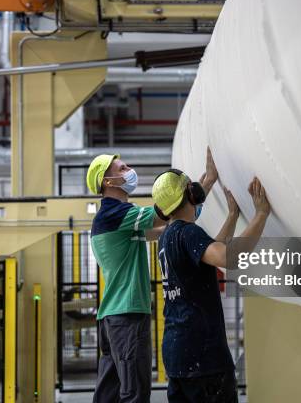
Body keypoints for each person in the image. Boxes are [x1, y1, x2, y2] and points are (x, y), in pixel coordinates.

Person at [86, 151, 218, 403]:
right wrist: (206, 183)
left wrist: (198, 198)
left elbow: (171, 225)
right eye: (122, 168)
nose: (130, 170)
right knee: (134, 392)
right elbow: (165, 212)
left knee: (110, 393)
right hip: (126, 316)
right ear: (108, 182)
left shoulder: (119, 223)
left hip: (113, 317)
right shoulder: (114, 214)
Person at [152, 170, 271, 403]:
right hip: (203, 358)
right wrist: (261, 214)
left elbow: (209, 250)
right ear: (191, 193)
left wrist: (233, 216)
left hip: (178, 354)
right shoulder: (188, 233)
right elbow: (228, 257)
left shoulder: (167, 237)